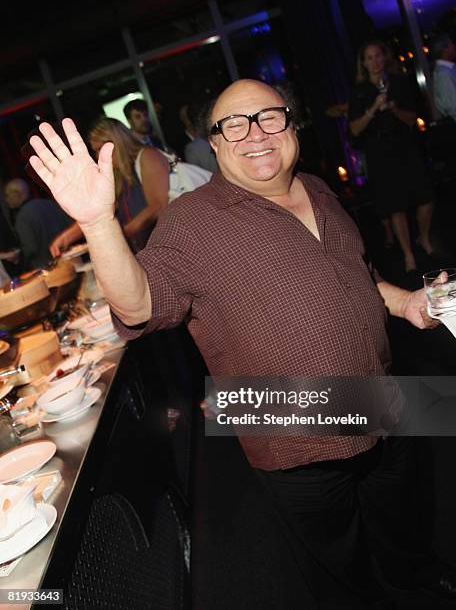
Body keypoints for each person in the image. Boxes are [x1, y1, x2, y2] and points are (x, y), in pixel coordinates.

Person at [28, 79, 456, 608]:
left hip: (381, 397)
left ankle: (414, 574)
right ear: (214, 142)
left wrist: (403, 302)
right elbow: (137, 305)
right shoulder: (191, 221)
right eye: (234, 123)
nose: (254, 133)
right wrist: (97, 221)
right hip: (290, 425)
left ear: (292, 127)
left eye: (269, 117)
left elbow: (359, 274)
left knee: (400, 509)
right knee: (333, 555)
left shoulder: (320, 189)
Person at [348, 40, 435, 272]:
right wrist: (374, 108)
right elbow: (355, 129)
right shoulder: (359, 92)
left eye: (378, 56)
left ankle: (423, 237)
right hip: (380, 152)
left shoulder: (399, 82)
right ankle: (408, 255)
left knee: (426, 197)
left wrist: (395, 109)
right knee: (395, 205)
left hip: (405, 146)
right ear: (363, 63)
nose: (375, 61)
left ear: (384, 58)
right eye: (370, 58)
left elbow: (414, 118)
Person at [49, 117, 169, 256]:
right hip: (146, 252)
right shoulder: (116, 175)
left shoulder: (147, 156)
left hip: (168, 246)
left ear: (117, 141)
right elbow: (98, 211)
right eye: (95, 150)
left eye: (99, 148)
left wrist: (119, 236)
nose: (98, 155)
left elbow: (159, 206)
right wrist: (66, 237)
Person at [4, 178, 72, 269]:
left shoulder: (22, 217)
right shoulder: (48, 203)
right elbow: (70, 224)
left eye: (7, 195)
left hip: (49, 268)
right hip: (71, 258)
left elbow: (30, 249)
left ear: (16, 194)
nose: (6, 200)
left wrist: (17, 255)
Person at [181, 102, 218, 173]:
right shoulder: (184, 143)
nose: (184, 120)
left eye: (184, 117)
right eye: (182, 117)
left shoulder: (192, 148)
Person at [431, 33, 456, 121]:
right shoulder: (443, 74)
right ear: (445, 49)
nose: (454, 47)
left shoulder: (447, 70)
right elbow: (452, 106)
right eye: (451, 44)